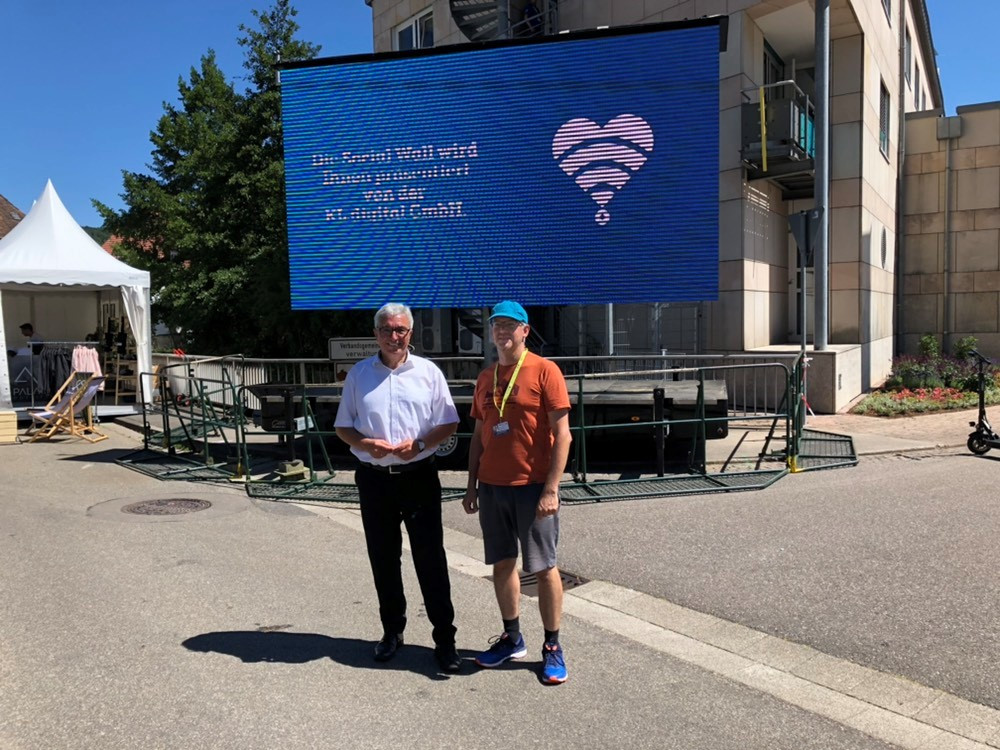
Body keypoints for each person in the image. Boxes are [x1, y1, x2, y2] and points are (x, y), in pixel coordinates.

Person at [334, 303, 462, 673]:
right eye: (388, 330)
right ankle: (392, 632)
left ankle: (445, 640)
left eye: (401, 330)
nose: (394, 336)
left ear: (411, 333)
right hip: (374, 481)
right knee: (383, 559)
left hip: (419, 476)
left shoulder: (428, 373)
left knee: (430, 559)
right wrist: (365, 445)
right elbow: (344, 427)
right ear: (376, 334)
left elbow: (449, 422)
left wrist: (420, 446)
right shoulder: (359, 375)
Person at [463, 300, 573, 684]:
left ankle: (553, 647)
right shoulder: (485, 377)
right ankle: (512, 638)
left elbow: (563, 434)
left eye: (511, 325)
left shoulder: (545, 370)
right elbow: (479, 436)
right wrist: (472, 484)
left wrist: (552, 489)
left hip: (533, 488)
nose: (502, 331)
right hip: (493, 488)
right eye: (497, 326)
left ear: (525, 330)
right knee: (502, 563)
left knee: (542, 568)